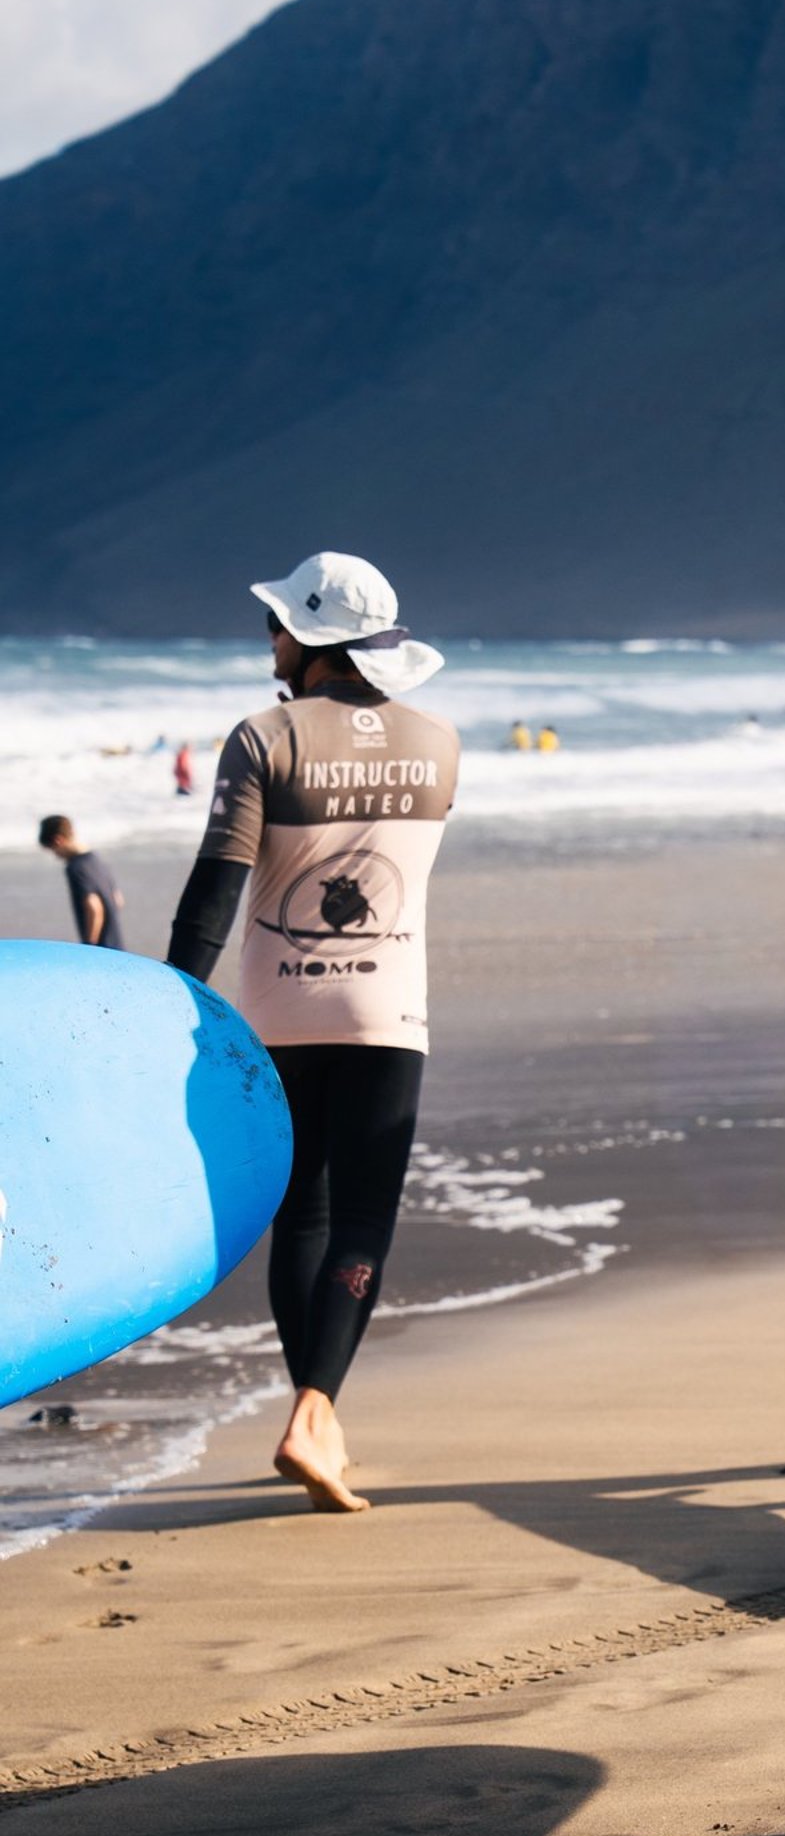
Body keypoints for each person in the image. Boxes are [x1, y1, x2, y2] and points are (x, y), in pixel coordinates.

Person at [166, 553, 459, 1512]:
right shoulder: (438, 741)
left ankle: (313, 1414)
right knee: (364, 1218)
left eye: (278, 627)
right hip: (388, 1010)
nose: (270, 643)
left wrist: (175, 1000)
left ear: (310, 636)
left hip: (280, 1007)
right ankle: (315, 1408)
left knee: (305, 1213)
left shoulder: (263, 737)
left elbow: (218, 883)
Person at [37, 815, 127, 947]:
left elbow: (94, 908)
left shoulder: (75, 867)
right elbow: (118, 901)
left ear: (58, 841)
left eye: (53, 851)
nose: (56, 856)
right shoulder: (96, 860)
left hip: (100, 949)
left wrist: (89, 945)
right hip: (116, 944)